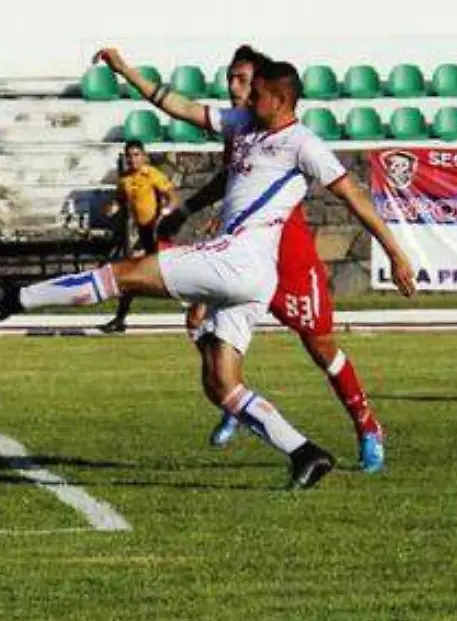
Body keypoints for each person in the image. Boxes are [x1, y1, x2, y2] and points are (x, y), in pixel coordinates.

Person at [0, 48, 417, 489]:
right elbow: (178, 106)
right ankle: (305, 452)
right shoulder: (244, 125)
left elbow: (354, 197)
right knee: (221, 383)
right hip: (254, 275)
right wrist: (127, 70)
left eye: (256, 91)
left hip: (238, 260)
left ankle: (13, 297)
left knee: (123, 273)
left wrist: (396, 253)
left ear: (280, 100)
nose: (244, 98)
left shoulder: (303, 144)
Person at [164, 45, 388, 473]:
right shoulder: (242, 130)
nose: (234, 89)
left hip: (287, 258)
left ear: (269, 91)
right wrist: (190, 212)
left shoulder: (292, 139)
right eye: (230, 79)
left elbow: (347, 192)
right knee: (198, 325)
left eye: (243, 81)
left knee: (320, 345)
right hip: (238, 257)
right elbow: (229, 183)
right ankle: (236, 402)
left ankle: (367, 424)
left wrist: (394, 252)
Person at [99, 139, 180, 334]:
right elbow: (119, 199)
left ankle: (199, 308)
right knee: (132, 277)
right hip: (141, 233)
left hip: (156, 231)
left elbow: (172, 196)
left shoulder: (152, 174)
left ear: (144, 156)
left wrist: (167, 211)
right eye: (129, 156)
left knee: (171, 273)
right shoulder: (125, 180)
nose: (133, 159)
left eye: (136, 155)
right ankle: (120, 319)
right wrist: (113, 207)